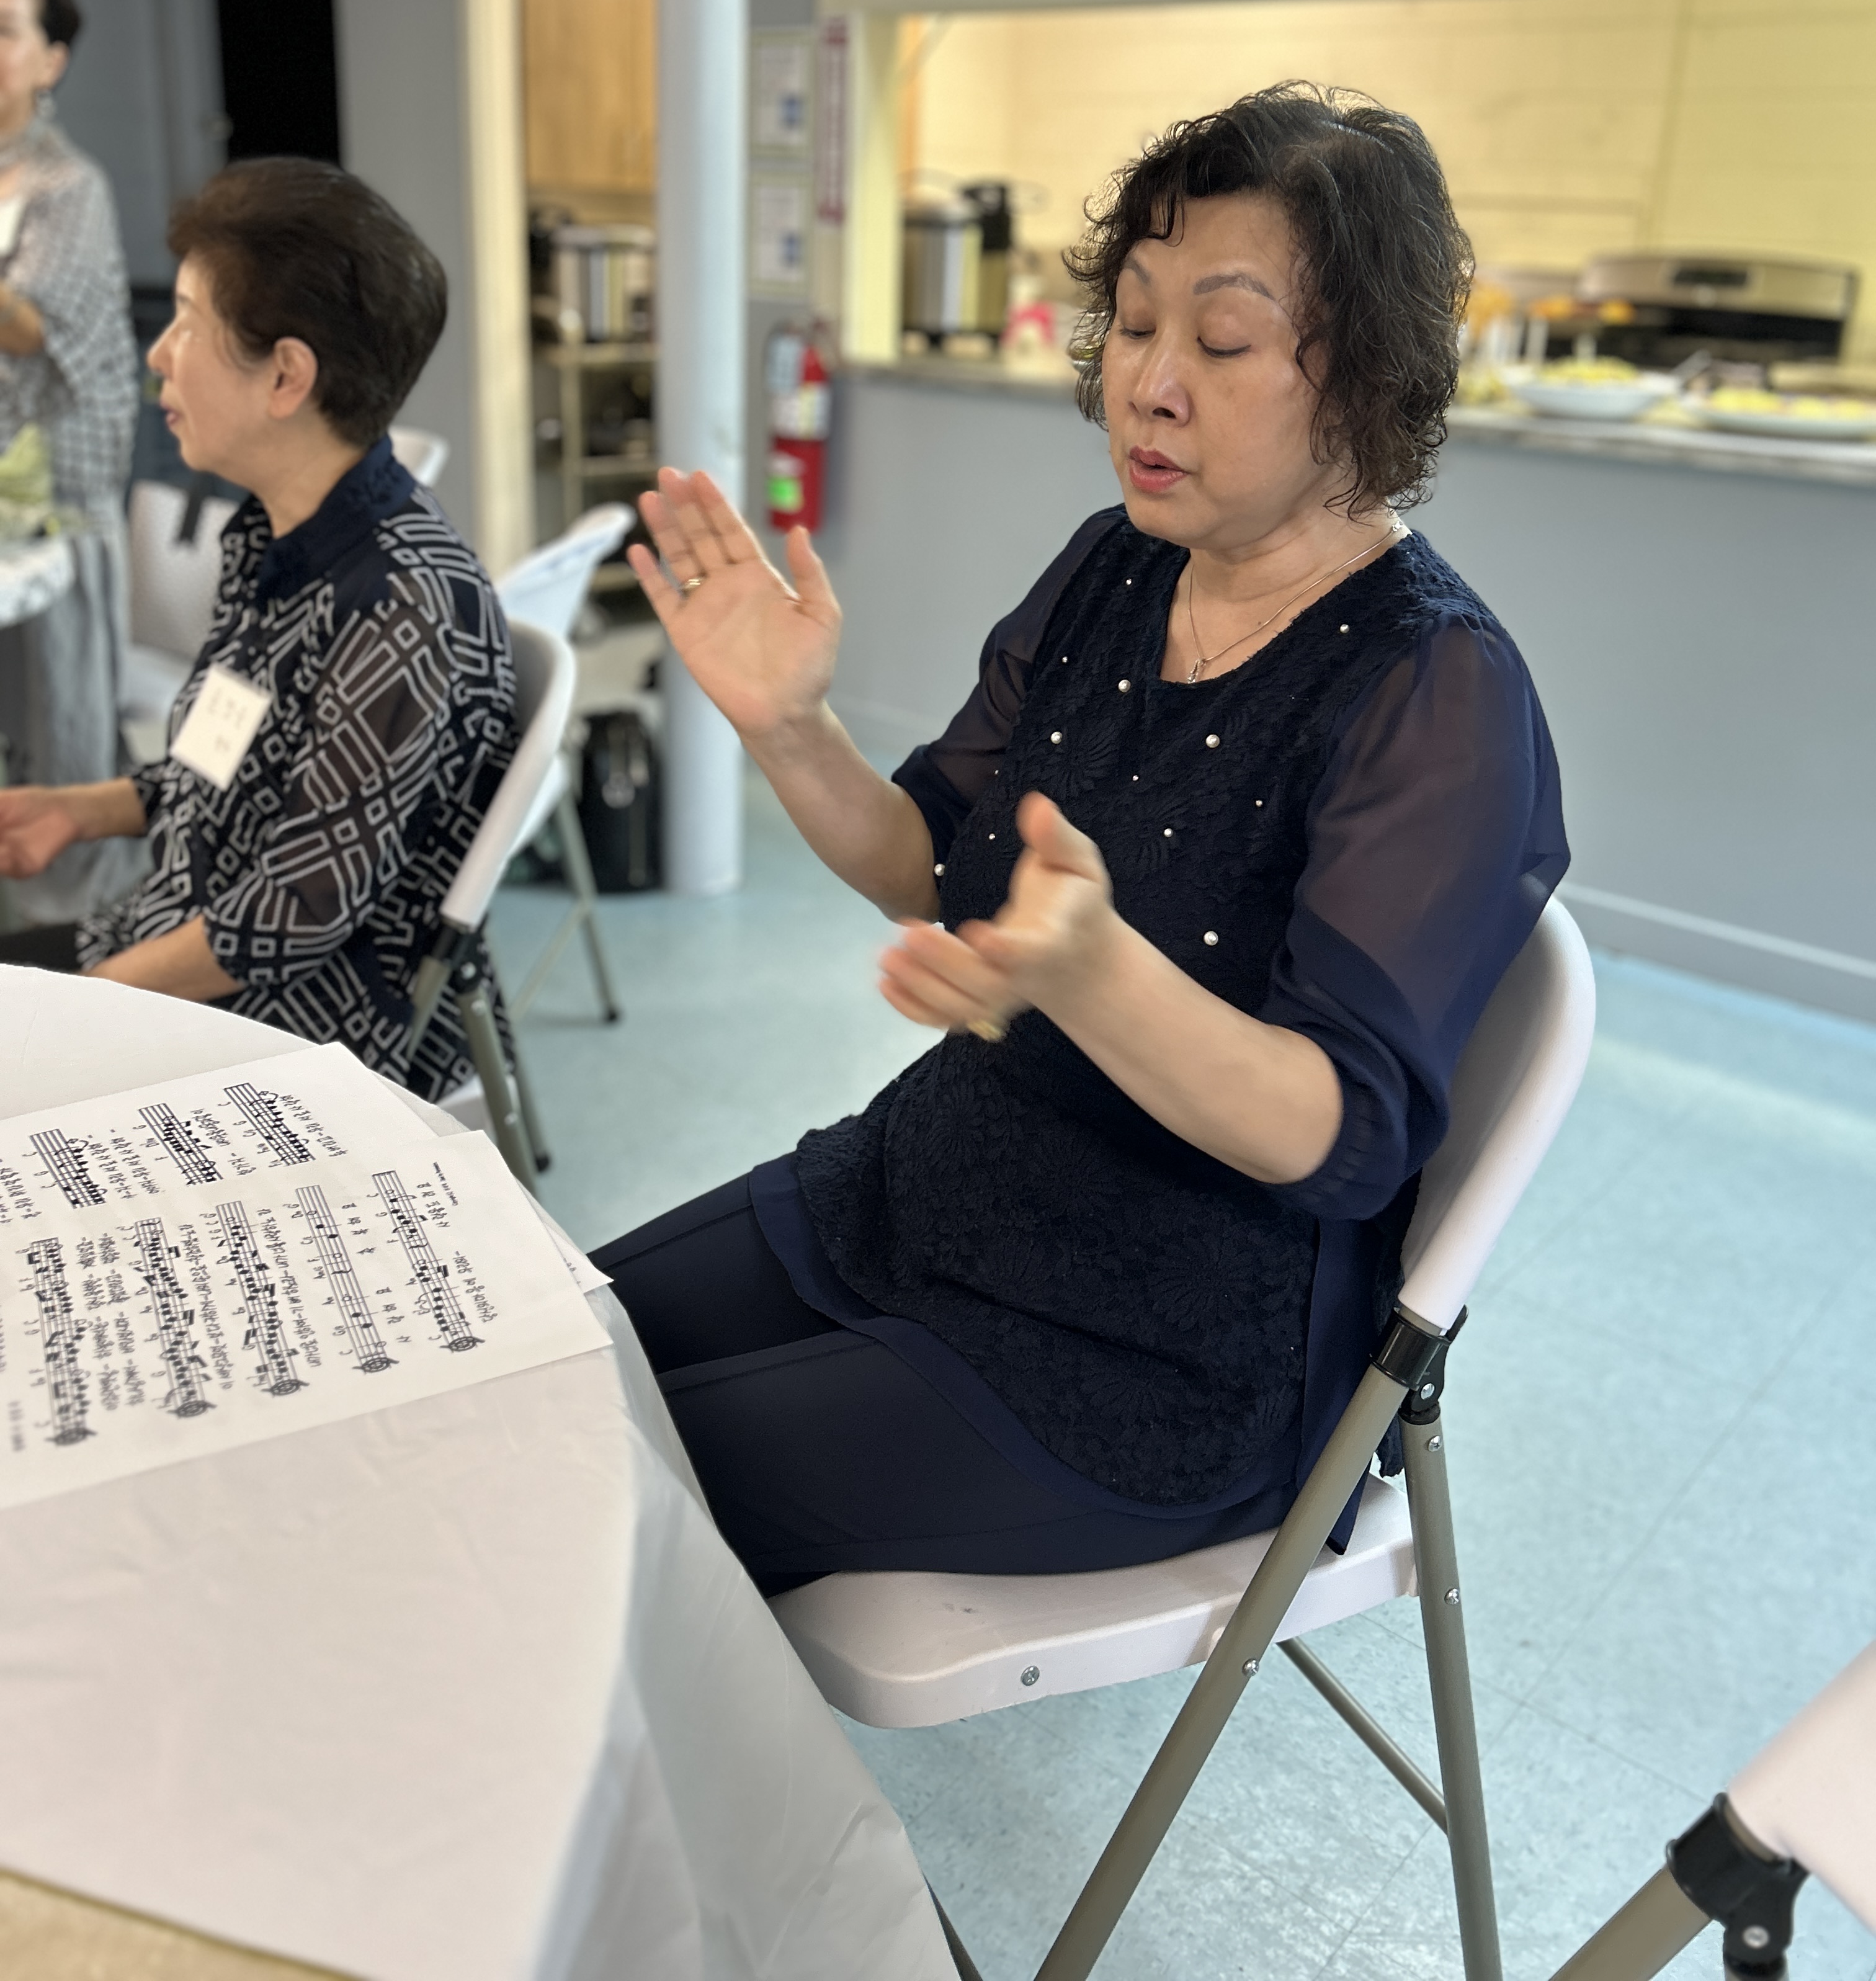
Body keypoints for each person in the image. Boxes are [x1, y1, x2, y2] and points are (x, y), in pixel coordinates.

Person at [599, 84, 1568, 1596]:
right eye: (1134, 322)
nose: (1151, 385)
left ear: (1366, 376)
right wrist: (788, 726)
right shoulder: (1121, 565)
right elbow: (932, 857)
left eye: (1223, 340)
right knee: (547, 1350)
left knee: (595, 1485)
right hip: (937, 1182)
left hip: (1157, 1350)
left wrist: (1091, 970)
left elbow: (1335, 1130)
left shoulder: (1436, 687)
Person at [0, 157, 517, 1101]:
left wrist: (77, 1011)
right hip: (176, 946)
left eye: (187, 324)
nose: (158, 355)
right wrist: (80, 810)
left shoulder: (406, 607)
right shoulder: (284, 535)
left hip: (298, 1036)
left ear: (285, 375)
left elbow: (290, 916)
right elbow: (234, 763)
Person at [0, 0, 141, 921]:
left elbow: (30, 328)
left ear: (51, 60)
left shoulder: (67, 185)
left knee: (63, 732)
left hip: (56, 504)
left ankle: (82, 941)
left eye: (4, 30)